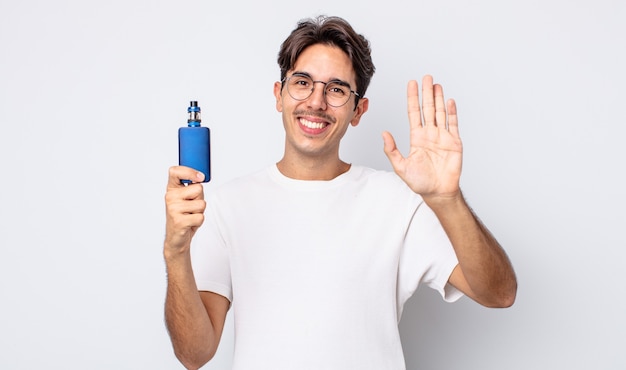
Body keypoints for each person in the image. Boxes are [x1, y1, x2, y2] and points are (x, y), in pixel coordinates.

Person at [163, 15, 517, 370]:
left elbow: (498, 294)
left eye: (335, 89)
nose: (316, 102)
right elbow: (194, 355)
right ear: (279, 94)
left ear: (357, 110)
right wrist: (175, 252)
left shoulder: (398, 201)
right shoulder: (225, 206)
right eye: (302, 82)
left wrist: (447, 200)